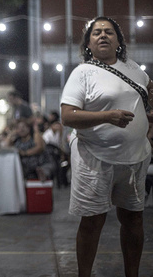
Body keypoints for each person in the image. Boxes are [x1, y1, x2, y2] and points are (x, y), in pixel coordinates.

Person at [60, 16, 153, 277]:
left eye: (109, 32)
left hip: (135, 159)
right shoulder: (82, 72)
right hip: (95, 158)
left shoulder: (134, 69)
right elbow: (67, 116)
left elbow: (147, 95)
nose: (103, 35)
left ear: (119, 41)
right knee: (92, 221)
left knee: (134, 219)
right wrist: (107, 116)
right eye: (97, 32)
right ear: (88, 43)